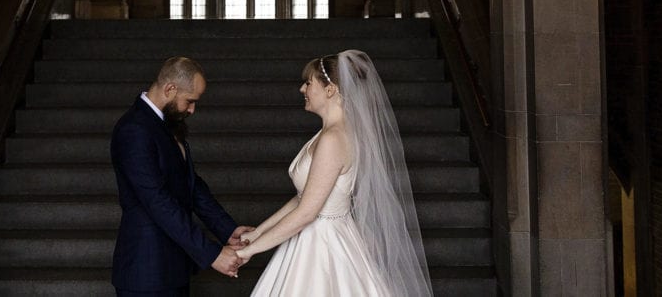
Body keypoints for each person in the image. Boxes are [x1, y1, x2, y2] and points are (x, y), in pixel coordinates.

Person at [235, 50, 433, 296]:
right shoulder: (329, 133)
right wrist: (257, 233)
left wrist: (247, 252)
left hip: (323, 243)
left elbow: (307, 212)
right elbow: (303, 197)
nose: (302, 89)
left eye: (309, 83)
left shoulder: (333, 139)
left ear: (330, 90)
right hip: (316, 235)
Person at [110, 55, 254, 296]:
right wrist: (213, 254)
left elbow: (191, 185)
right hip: (146, 272)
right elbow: (157, 201)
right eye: (189, 101)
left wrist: (227, 230)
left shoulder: (165, 123)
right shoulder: (134, 129)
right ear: (169, 88)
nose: (192, 109)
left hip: (173, 266)